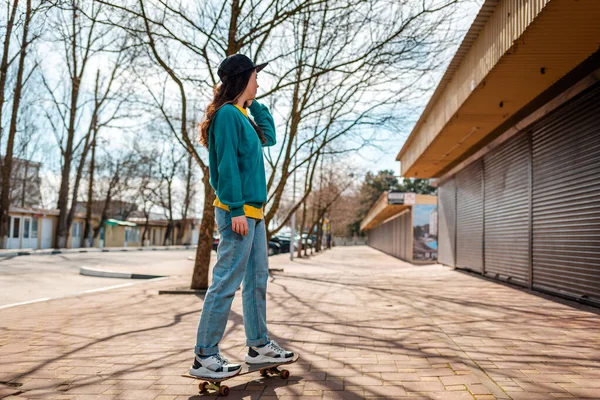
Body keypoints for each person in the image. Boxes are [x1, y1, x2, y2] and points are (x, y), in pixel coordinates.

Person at [190, 54, 294, 380]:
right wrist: (235, 209)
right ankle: (205, 355)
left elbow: (271, 137)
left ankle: (258, 346)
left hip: (255, 213)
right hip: (238, 213)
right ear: (241, 79)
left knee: (256, 283)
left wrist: (253, 103)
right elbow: (225, 168)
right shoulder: (225, 117)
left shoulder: (242, 115)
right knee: (225, 285)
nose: (259, 82)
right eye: (254, 77)